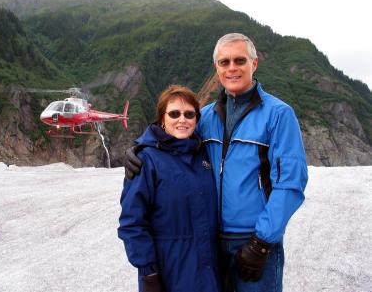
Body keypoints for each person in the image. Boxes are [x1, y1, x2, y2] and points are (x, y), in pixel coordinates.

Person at [124, 33, 308, 292]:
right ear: (217, 69)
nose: (232, 68)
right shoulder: (207, 116)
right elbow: (173, 135)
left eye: (239, 60)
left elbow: (290, 183)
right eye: (224, 62)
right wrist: (140, 147)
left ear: (254, 64)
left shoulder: (278, 115)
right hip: (211, 244)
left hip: (252, 241)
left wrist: (262, 243)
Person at [118, 85, 221, 292]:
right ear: (161, 119)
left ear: (196, 120)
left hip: (209, 271)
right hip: (169, 272)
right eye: (174, 113)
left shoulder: (204, 155)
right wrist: (149, 273)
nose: (182, 119)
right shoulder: (146, 160)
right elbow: (132, 222)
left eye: (189, 114)